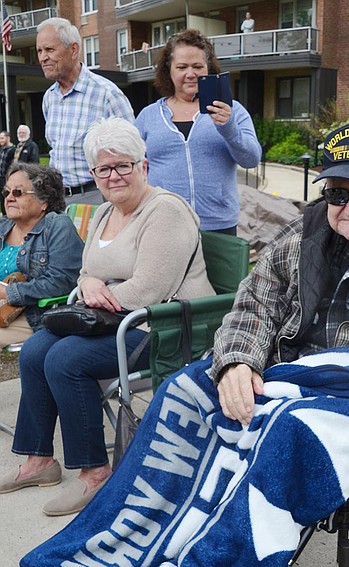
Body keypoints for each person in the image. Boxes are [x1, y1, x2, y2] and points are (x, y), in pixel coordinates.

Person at [20, 123, 349, 567]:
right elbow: (252, 304)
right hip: (288, 370)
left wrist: (294, 386)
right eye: (336, 192)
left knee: (281, 433)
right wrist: (237, 362)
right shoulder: (306, 231)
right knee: (184, 393)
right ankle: (123, 552)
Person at [0, 117, 215, 515]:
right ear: (94, 174)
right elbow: (85, 271)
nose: (112, 176)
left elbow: (148, 291)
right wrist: (90, 284)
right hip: (109, 319)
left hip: (162, 326)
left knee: (66, 360)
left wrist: (98, 290)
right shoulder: (103, 213)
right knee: (34, 353)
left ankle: (96, 472)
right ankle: (39, 461)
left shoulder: (165, 211)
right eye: (103, 168)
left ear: (143, 166)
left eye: (122, 165)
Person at [135, 29, 262, 234]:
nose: (190, 74)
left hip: (219, 224)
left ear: (208, 69)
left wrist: (229, 128)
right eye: (182, 67)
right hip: (163, 224)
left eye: (197, 66)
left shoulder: (232, 110)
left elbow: (251, 159)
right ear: (169, 70)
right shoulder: (148, 116)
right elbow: (134, 168)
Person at [36, 17, 135, 205]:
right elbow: (56, 150)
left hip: (96, 196)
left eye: (49, 50)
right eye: (39, 51)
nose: (42, 57)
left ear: (73, 50)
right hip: (57, 199)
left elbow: (133, 153)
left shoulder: (107, 94)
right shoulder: (49, 97)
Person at [0, 162, 83, 347]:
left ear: (43, 201)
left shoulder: (57, 226)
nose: (9, 198)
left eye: (18, 192)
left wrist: (7, 292)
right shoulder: (3, 226)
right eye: (7, 192)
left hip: (32, 316)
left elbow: (61, 281)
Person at [0, 130, 16, 215]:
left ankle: (8, 215)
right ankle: (4, 215)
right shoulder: (2, 150)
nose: (0, 140)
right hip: (0, 177)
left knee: (7, 196)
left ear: (8, 138)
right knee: (1, 199)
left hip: (7, 178)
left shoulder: (13, 150)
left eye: (2, 138)